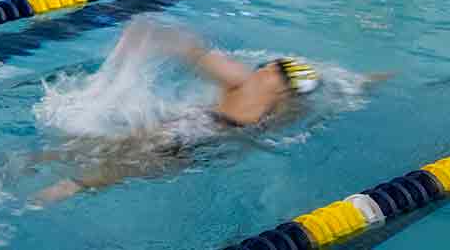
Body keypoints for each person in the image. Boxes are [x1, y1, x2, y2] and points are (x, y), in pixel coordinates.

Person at [30, 22, 334, 202]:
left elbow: (197, 53)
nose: (269, 66)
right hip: (199, 132)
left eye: (277, 68)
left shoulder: (263, 96)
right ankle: (50, 177)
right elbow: (196, 53)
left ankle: (58, 183)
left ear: (282, 86)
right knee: (108, 155)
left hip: (198, 135)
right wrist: (157, 36)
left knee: (118, 159)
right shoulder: (262, 97)